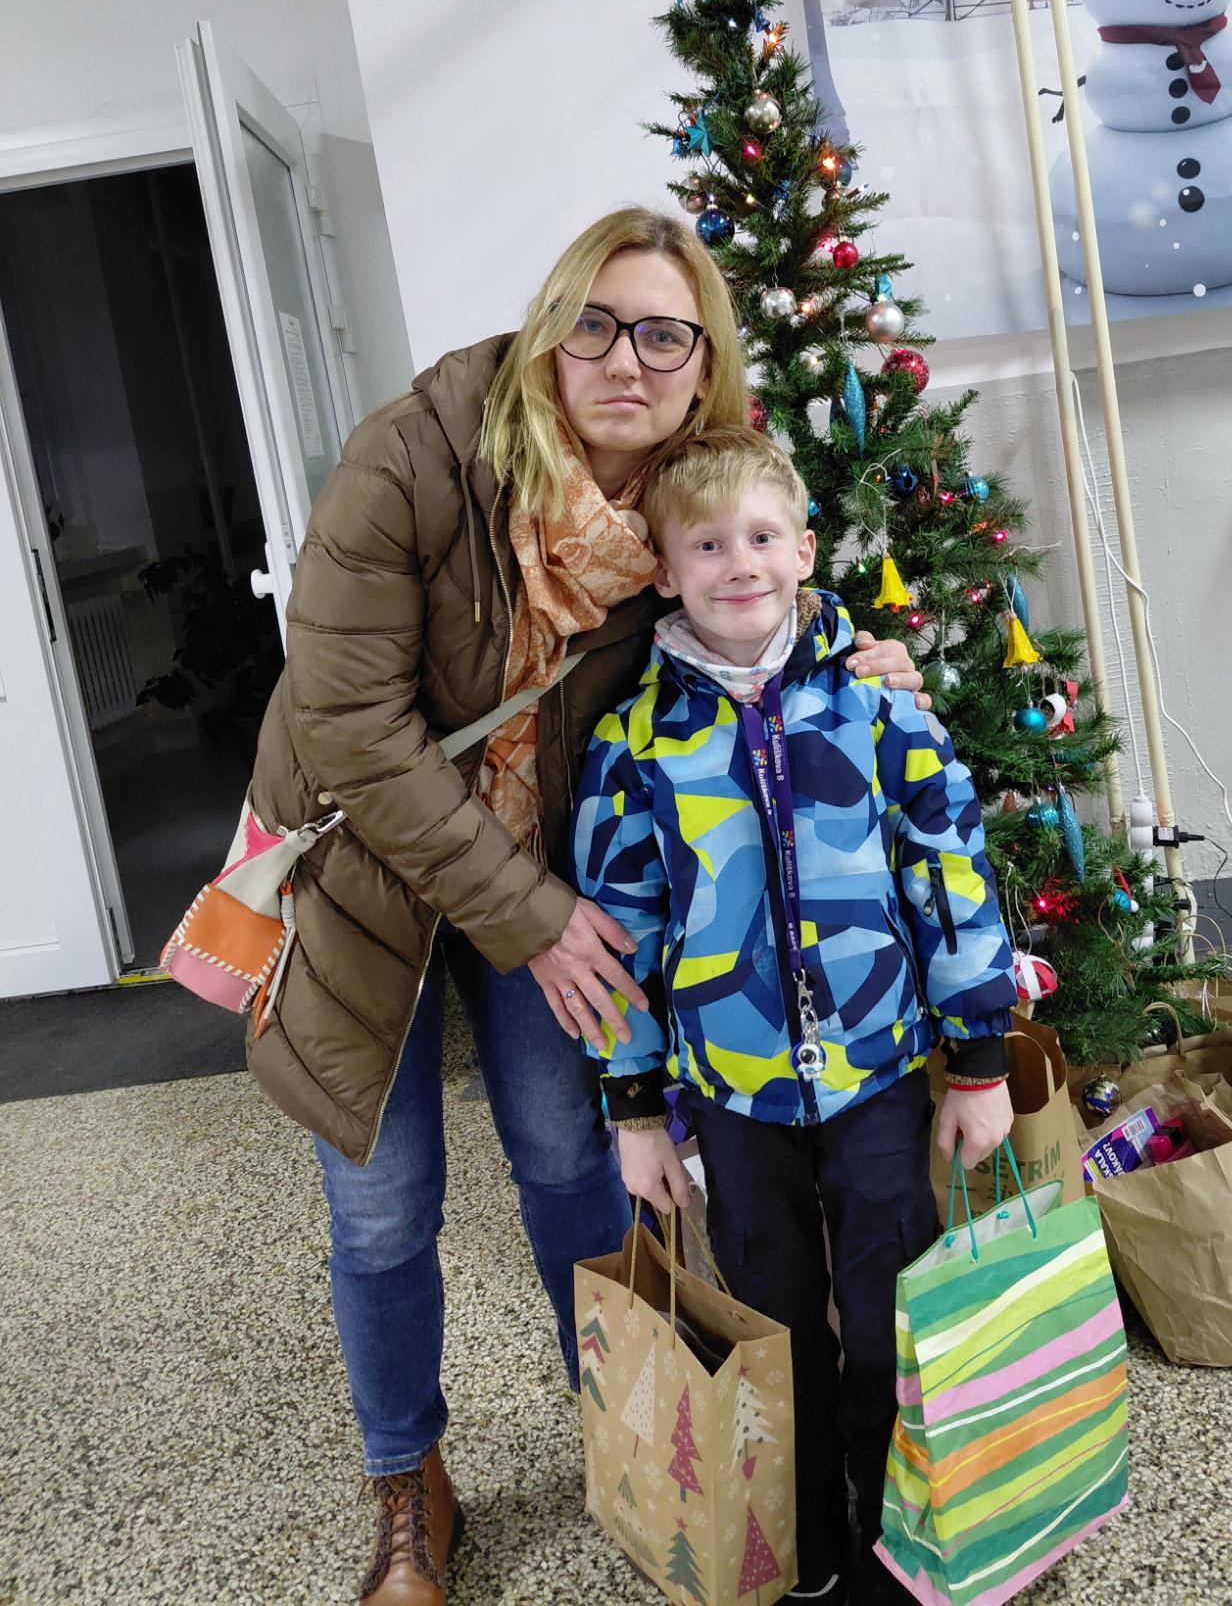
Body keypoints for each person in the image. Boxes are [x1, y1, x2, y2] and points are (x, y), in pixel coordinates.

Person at [246, 208, 927, 1605]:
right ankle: (406, 1478)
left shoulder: (684, 493)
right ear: (550, 334)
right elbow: (348, 724)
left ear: (702, 363)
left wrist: (853, 658)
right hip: (369, 867)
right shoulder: (413, 457)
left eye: (664, 334)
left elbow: (744, 597)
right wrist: (532, 915)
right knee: (382, 1202)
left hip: (546, 869)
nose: (627, 358)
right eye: (596, 324)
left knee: (571, 1161)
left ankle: (628, 1426)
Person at [573, 426, 1017, 1606]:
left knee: (886, 1311)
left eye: (761, 536)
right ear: (664, 570)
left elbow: (949, 869)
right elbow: (618, 936)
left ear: (805, 550)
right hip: (732, 1094)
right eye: (707, 545)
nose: (739, 564)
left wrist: (979, 1060)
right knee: (773, 1325)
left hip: (877, 1073)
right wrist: (632, 1105)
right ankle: (808, 1536)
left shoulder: (874, 703)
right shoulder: (634, 744)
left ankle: (893, 1533)